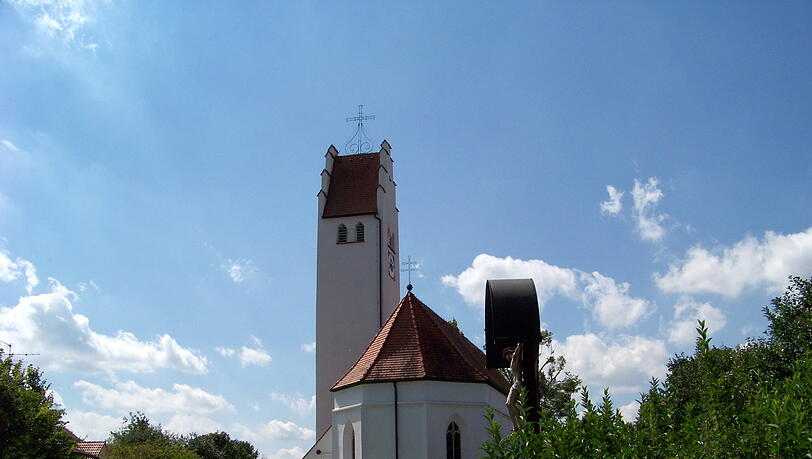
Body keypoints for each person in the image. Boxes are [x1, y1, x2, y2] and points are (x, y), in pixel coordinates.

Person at [504, 342, 523, 431]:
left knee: (509, 404)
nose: (507, 358)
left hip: (517, 384)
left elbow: (517, 351)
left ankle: (516, 426)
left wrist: (519, 344)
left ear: (509, 353)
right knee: (512, 405)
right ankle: (519, 424)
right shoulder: (513, 361)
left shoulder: (515, 358)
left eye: (507, 355)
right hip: (516, 384)